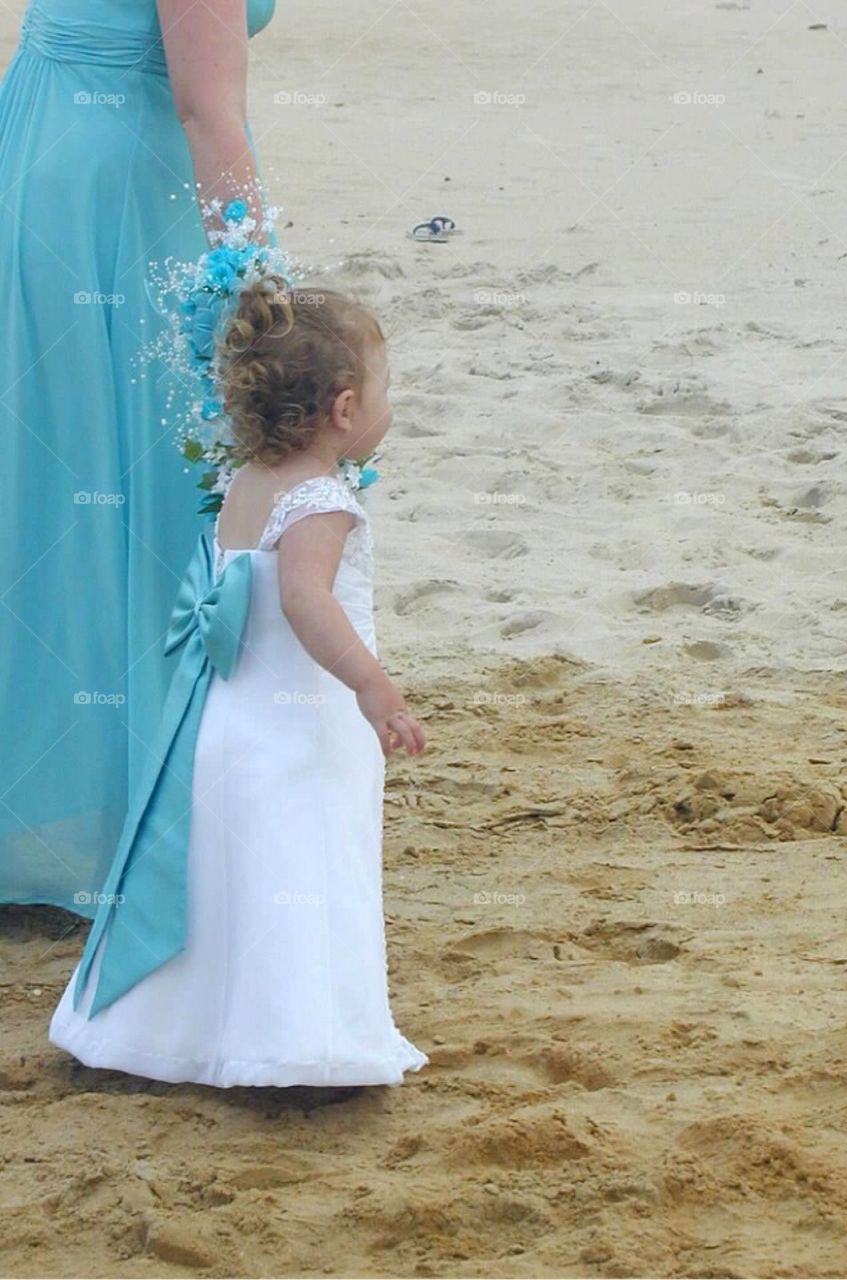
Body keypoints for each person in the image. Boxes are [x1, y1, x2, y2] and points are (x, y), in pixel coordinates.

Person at [49, 277, 431, 1088]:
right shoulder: (322, 500)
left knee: (230, 877)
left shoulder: (246, 484)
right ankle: (303, 1042)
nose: (391, 407)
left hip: (224, 718)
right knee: (307, 865)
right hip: (300, 724)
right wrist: (370, 684)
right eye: (386, 390)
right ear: (343, 409)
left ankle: (178, 1033)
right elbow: (303, 601)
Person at [0, 0, 277, 917]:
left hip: (47, 146)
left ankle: (59, 801)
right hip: (121, 196)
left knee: (52, 486)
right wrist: (253, 291)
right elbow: (207, 106)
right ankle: (138, 820)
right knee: (153, 483)